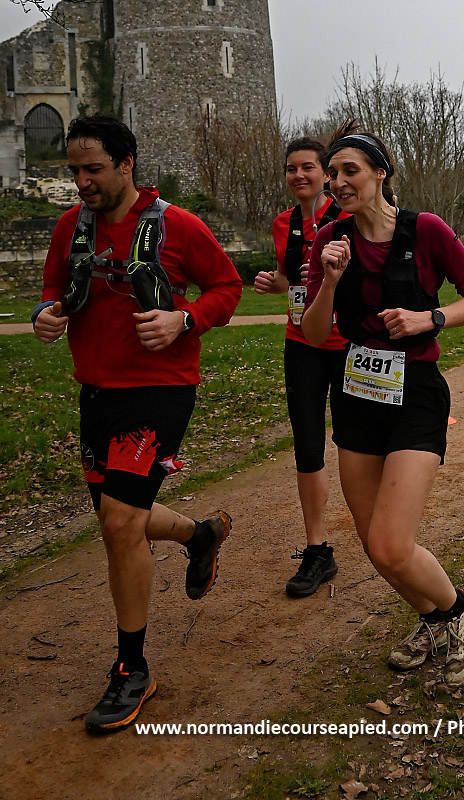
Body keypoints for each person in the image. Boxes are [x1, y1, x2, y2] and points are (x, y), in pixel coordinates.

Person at [33, 115, 242, 732]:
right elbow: (51, 290)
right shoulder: (71, 227)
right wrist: (46, 315)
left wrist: (184, 319)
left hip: (159, 392)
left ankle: (132, 668)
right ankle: (199, 535)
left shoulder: (177, 225)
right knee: (116, 515)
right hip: (97, 392)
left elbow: (226, 287)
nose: (82, 181)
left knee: (120, 522)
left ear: (126, 164)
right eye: (75, 170)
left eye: (93, 169)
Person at [301, 121, 464, 687]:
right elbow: (314, 333)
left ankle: (461, 610)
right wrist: (329, 281)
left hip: (416, 395)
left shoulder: (425, 229)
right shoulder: (329, 239)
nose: (338, 182)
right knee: (375, 545)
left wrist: (428, 318)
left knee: (390, 544)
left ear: (381, 174)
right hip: (358, 396)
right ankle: (433, 619)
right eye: (332, 173)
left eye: (350, 171)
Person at [254, 138, 350, 597]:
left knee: (359, 444)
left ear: (325, 174)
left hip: (349, 345)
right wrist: (274, 283)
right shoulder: (283, 223)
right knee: (307, 444)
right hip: (302, 344)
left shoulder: (348, 217)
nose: (299, 176)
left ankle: (384, 537)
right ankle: (317, 549)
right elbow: (293, 279)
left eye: (308, 167)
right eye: (291, 169)